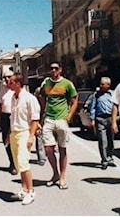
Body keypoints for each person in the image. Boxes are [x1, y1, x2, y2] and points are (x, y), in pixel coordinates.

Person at [39, 62, 78, 190]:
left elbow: (74, 101)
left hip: (62, 119)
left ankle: (62, 177)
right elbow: (42, 99)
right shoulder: (46, 84)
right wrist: (41, 116)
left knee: (62, 148)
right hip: (49, 119)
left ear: (60, 70)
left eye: (56, 68)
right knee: (48, 149)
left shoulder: (67, 84)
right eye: (51, 68)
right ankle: (55, 173)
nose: (54, 70)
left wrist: (68, 117)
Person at [8, 73, 40, 205]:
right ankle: (24, 189)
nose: (8, 84)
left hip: (24, 132)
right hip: (14, 132)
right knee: (18, 163)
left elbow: (35, 118)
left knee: (23, 161)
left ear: (18, 84)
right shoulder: (13, 98)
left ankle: (31, 191)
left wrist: (31, 136)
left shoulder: (29, 98)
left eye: (11, 82)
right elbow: (13, 117)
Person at [89, 77, 115, 170]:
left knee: (111, 139)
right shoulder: (96, 95)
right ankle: (104, 160)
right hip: (100, 119)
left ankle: (110, 157)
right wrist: (92, 119)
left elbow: (116, 106)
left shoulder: (113, 94)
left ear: (108, 85)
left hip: (111, 118)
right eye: (100, 84)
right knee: (103, 141)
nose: (100, 85)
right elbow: (93, 107)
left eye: (102, 84)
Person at [0, 70, 17, 175]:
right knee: (6, 142)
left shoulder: (16, 89)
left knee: (14, 140)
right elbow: (1, 105)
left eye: (8, 77)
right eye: (4, 77)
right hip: (5, 117)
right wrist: (0, 120)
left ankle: (16, 163)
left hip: (14, 116)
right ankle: (12, 162)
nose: (6, 79)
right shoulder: (3, 89)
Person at [33, 87, 46, 166]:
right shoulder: (34, 102)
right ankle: (41, 158)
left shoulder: (48, 102)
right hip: (38, 120)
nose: (40, 96)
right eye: (39, 95)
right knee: (39, 136)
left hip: (46, 119)